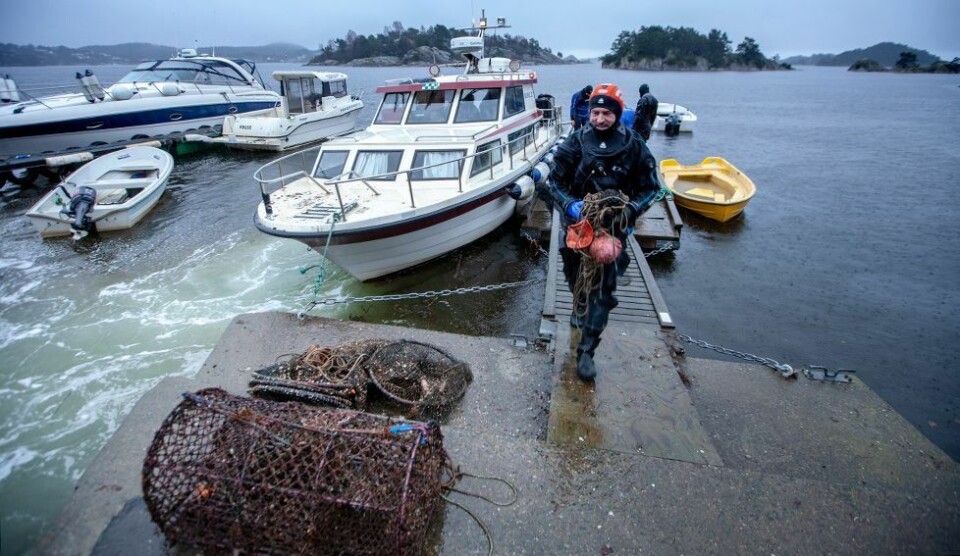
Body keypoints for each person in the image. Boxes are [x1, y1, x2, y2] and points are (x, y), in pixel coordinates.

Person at [549, 83, 660, 381]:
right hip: (577, 222)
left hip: (614, 228)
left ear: (617, 113)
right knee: (574, 272)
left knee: (604, 289)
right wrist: (570, 205)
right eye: (596, 112)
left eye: (606, 113)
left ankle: (587, 349)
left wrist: (632, 209)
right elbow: (554, 182)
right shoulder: (575, 141)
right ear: (590, 112)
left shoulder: (634, 145)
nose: (600, 119)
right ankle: (578, 301)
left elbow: (653, 188)